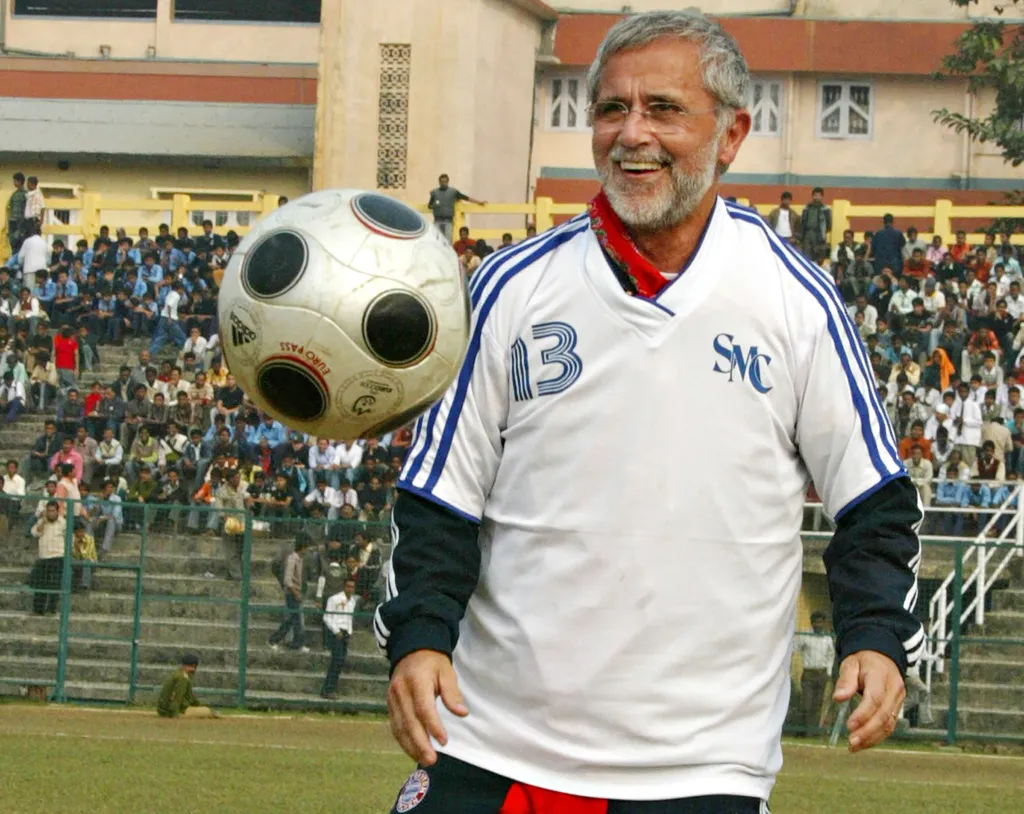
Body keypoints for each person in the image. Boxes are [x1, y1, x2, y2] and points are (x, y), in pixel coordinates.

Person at [377, 11, 922, 812]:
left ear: (731, 134)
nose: (632, 134)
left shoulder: (794, 300)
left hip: (702, 773)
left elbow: (873, 503)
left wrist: (876, 639)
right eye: (610, 109)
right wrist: (420, 638)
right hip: (494, 748)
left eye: (664, 109)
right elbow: (438, 501)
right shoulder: (508, 288)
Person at [793, 610, 836, 736]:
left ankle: (813, 733)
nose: (818, 625)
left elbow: (831, 655)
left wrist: (828, 671)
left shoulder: (827, 638)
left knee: (817, 705)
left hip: (822, 674)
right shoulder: (805, 635)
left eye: (820, 622)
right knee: (806, 704)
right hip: (808, 674)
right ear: (812, 623)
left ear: (823, 623)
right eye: (816, 622)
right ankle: (802, 731)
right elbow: (795, 648)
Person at [268, 534, 312, 652]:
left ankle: (295, 643)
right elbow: (288, 580)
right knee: (294, 619)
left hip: (295, 592)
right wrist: (296, 593)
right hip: (292, 593)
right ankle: (275, 640)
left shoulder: (298, 559)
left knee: (293, 619)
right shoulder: (292, 559)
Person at [321, 576, 358, 699]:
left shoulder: (352, 601)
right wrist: (336, 631)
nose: (350, 589)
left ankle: (330, 688)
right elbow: (327, 617)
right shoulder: (334, 599)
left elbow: (349, 618)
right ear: (344, 586)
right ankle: (328, 689)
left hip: (345, 632)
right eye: (348, 586)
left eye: (352, 587)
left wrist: (349, 632)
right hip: (335, 632)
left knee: (340, 661)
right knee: (337, 660)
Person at [30, 500, 66, 616]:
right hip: (44, 557)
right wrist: (43, 522)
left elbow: (69, 539)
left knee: (54, 584)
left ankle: (51, 609)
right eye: (49, 511)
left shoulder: (63, 523)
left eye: (53, 511)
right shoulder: (42, 521)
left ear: (57, 511)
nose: (51, 513)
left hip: (58, 557)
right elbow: (34, 533)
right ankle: (38, 609)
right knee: (40, 584)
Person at [156, 653, 219, 719]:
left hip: (164, 709)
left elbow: (189, 697)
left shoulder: (177, 673)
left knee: (203, 708)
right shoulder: (183, 678)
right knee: (207, 711)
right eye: (192, 667)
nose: (193, 670)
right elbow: (177, 697)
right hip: (171, 711)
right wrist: (174, 714)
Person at [427, 174, 486, 243]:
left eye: (445, 181)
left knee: (448, 241)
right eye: (442, 181)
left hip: (448, 220)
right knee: (436, 240)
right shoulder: (434, 192)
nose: (443, 183)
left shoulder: (453, 192)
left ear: (448, 181)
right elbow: (429, 206)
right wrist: (434, 205)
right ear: (439, 182)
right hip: (437, 220)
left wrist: (479, 202)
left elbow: (465, 198)